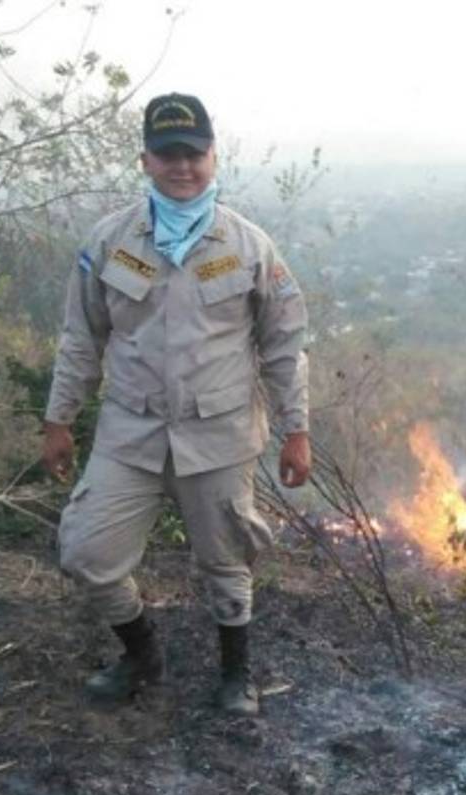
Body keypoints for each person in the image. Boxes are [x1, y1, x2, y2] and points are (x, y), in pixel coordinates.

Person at [41, 92, 311, 715]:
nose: (181, 167)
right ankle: (141, 653)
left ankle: (236, 675)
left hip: (217, 435)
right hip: (130, 433)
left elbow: (284, 346)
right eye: (168, 155)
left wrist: (296, 430)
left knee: (226, 561)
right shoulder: (110, 240)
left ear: (214, 157)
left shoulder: (249, 246)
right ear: (146, 160)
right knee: (88, 554)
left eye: (193, 154)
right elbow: (81, 335)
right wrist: (58, 418)